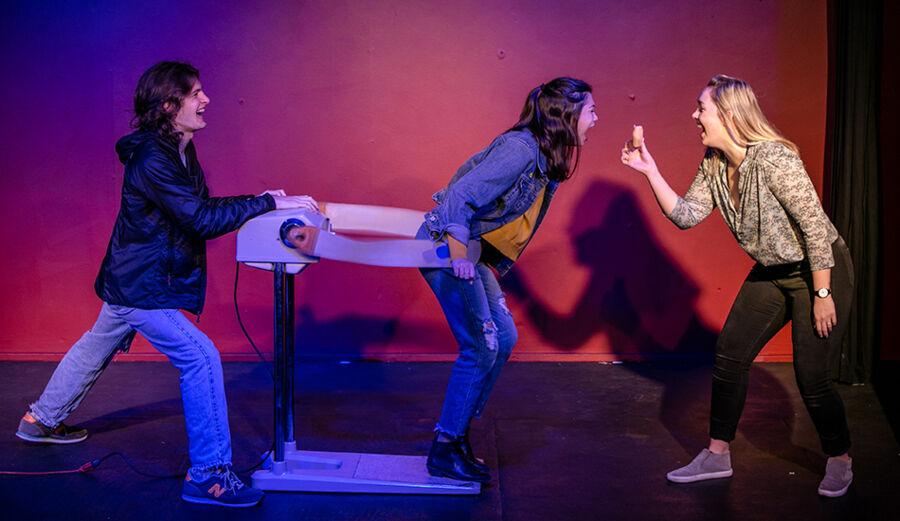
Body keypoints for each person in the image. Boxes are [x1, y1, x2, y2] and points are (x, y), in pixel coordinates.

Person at [15, 61, 318, 508]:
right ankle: (209, 476)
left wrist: (266, 200)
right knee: (200, 357)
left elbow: (197, 207)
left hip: (129, 275)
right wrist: (266, 202)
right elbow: (199, 218)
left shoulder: (178, 146)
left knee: (96, 344)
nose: (206, 99)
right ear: (169, 105)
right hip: (142, 283)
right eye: (195, 93)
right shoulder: (153, 158)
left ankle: (40, 421)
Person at [621, 74, 855, 498]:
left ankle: (840, 458)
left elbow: (815, 229)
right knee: (729, 353)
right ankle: (716, 454)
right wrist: (649, 170)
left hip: (819, 269)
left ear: (728, 114)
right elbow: (687, 215)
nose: (695, 115)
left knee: (812, 376)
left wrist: (822, 294)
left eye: (702, 108)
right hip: (773, 269)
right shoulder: (713, 164)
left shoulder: (774, 158)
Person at [418, 77, 597, 482]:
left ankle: (458, 432)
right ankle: (445, 448)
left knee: (505, 339)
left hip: (476, 252)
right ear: (566, 113)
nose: (595, 119)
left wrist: (485, 261)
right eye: (591, 111)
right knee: (482, 344)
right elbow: (460, 196)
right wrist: (460, 254)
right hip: (449, 246)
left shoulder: (546, 155)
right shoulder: (520, 149)